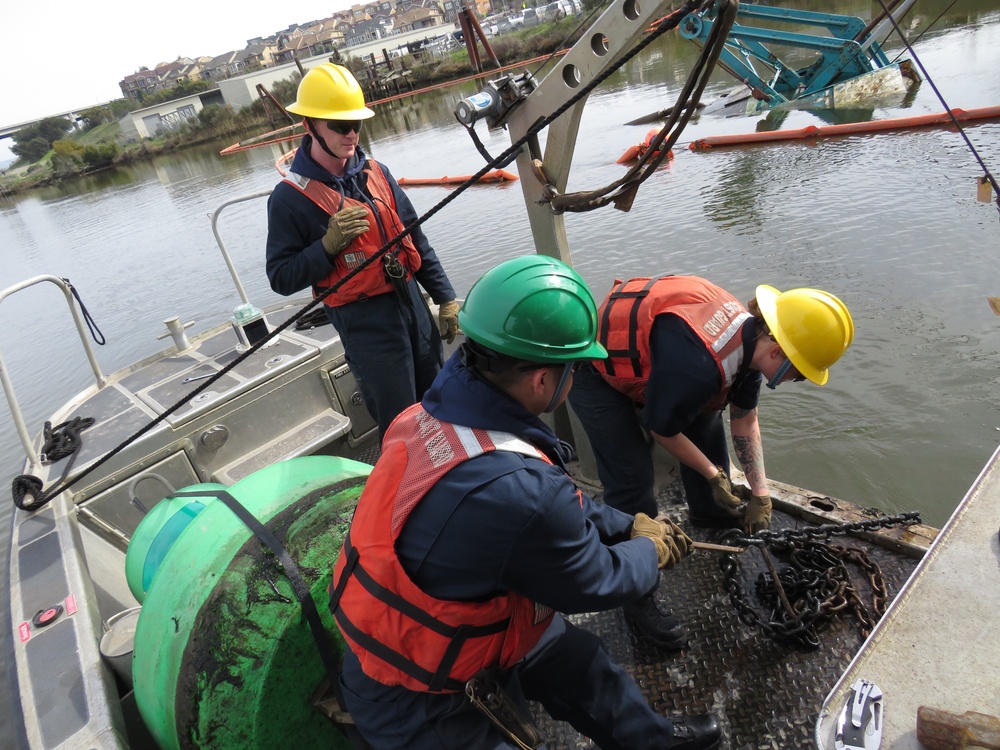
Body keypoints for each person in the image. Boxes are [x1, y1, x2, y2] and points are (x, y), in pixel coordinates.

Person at [329, 256, 722, 750]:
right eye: (574, 368)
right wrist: (650, 551)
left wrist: (629, 524)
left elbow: (555, 506)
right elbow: (594, 580)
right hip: (414, 689)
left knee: (581, 664)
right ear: (542, 381)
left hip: (450, 618)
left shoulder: (437, 411)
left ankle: (652, 739)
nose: (577, 377)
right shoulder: (517, 488)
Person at [568, 274, 855, 537]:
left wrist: (760, 492)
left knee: (707, 426)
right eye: (800, 373)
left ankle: (712, 515)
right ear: (778, 351)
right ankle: (637, 553)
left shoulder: (753, 340)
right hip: (596, 372)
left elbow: (745, 419)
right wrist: (713, 476)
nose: (796, 380)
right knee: (632, 475)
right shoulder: (697, 367)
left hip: (661, 363)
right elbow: (662, 429)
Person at [265, 63, 460, 441]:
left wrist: (445, 296)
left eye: (356, 123)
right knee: (402, 428)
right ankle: (409, 495)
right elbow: (281, 277)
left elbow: (415, 239)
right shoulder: (290, 198)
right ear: (310, 126)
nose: (351, 133)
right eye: (339, 125)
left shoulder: (376, 171)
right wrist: (326, 247)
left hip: (413, 308)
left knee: (442, 405)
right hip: (366, 325)